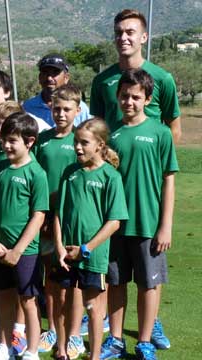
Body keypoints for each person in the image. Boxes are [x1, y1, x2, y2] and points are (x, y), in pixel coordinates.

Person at [102, 69, 178, 360]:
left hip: (148, 224)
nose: (129, 101)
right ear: (117, 97)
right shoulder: (110, 133)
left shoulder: (160, 133)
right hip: (115, 225)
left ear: (147, 99)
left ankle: (144, 341)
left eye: (135, 96)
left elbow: (168, 179)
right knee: (116, 283)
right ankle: (116, 339)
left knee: (149, 284)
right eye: (124, 96)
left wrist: (166, 225)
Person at [52, 118, 129, 360]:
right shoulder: (70, 172)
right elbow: (58, 214)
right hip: (66, 253)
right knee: (62, 303)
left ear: (99, 145)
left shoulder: (110, 177)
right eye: (75, 142)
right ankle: (62, 350)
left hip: (92, 255)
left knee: (94, 307)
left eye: (83, 143)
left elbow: (114, 222)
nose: (77, 147)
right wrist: (59, 248)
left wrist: (85, 248)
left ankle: (94, 356)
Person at [0, 112, 48, 360]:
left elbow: (38, 216)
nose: (6, 145)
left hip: (26, 251)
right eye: (4, 140)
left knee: (28, 300)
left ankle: (32, 352)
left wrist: (18, 250)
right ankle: (5, 347)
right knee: (5, 298)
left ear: (29, 142)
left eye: (12, 141)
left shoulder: (37, 174)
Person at [32, 84, 82, 357]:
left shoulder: (80, 139)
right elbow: (38, 180)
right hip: (47, 220)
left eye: (67, 109)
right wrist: (44, 215)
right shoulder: (43, 140)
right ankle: (51, 329)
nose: (61, 114)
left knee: (72, 282)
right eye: (57, 108)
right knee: (50, 279)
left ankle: (74, 334)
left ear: (77, 110)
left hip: (74, 220)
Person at [90, 9, 181, 143]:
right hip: (112, 161)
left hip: (147, 162)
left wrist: (159, 160)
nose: (123, 38)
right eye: (118, 33)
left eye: (130, 32)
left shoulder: (163, 78)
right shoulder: (101, 80)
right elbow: (97, 127)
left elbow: (174, 128)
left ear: (144, 37)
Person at [23, 54, 90, 131]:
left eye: (55, 73)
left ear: (66, 77)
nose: (49, 78)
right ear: (39, 77)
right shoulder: (28, 107)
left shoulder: (80, 108)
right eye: (45, 72)